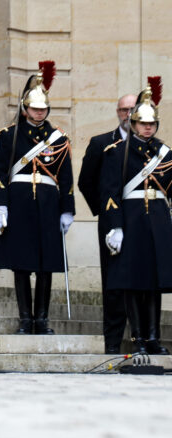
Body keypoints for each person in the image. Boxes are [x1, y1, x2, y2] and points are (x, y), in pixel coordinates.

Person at [0, 61, 75, 335]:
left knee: (46, 265)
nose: (39, 113)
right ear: (25, 109)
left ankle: (42, 319)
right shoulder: (10, 136)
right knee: (22, 264)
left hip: (49, 205)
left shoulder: (58, 139)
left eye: (43, 109)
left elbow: (66, 177)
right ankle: (26, 319)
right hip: (20, 202)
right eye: (35, 108)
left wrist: (67, 209)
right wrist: (0, 204)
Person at [99, 79, 172, 355]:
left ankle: (154, 337)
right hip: (131, 221)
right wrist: (115, 226)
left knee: (154, 283)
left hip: (158, 221)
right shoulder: (117, 152)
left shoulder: (165, 155)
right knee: (132, 283)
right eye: (143, 124)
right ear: (133, 124)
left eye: (151, 124)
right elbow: (110, 193)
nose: (147, 128)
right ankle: (138, 338)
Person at [77, 93, 136, 354]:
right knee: (113, 284)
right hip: (112, 224)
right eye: (124, 110)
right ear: (117, 112)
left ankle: (143, 338)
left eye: (134, 109)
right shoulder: (101, 143)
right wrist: (104, 212)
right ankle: (112, 343)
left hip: (141, 223)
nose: (129, 114)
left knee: (142, 282)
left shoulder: (154, 146)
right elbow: (86, 181)